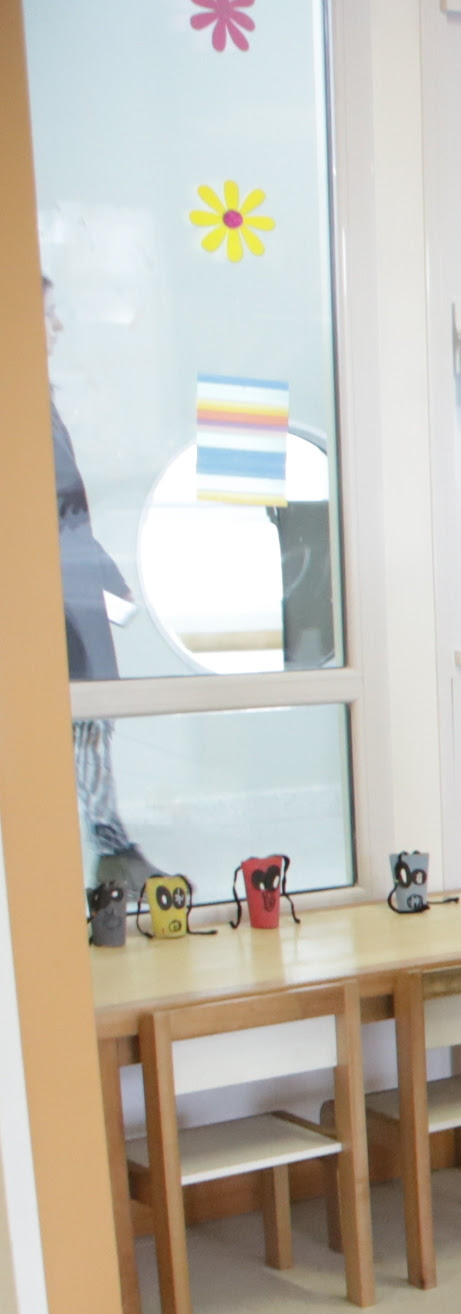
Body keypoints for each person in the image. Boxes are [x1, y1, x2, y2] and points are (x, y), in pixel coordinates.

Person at [45, 274, 146, 887]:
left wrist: (107, 573)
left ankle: (107, 840)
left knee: (93, 716)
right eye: (48, 312)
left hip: (77, 576)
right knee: (81, 713)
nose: (57, 326)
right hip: (57, 586)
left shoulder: (41, 399)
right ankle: (102, 845)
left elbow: (69, 505)